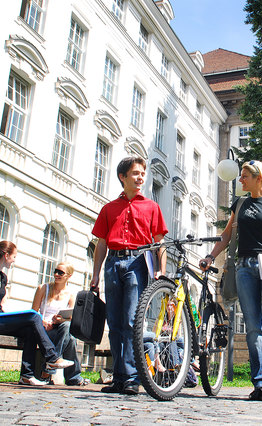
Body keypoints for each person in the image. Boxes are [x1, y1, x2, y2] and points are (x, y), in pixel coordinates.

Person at [200, 160, 262, 402]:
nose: (240, 180)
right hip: (244, 267)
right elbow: (228, 234)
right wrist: (211, 256)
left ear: (258, 177)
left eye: (244, 176)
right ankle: (260, 382)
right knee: (253, 326)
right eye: (240, 176)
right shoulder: (240, 204)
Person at [90, 156, 168, 395]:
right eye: (135, 173)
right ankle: (119, 377)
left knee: (131, 321)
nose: (140, 177)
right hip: (113, 262)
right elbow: (101, 243)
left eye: (142, 173)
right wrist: (95, 275)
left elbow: (159, 242)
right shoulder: (109, 208)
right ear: (122, 177)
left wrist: (161, 272)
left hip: (138, 262)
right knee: (114, 322)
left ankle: (132, 377)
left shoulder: (152, 207)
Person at [0, 241, 74, 386]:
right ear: (6, 255)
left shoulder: (3, 277)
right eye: (14, 256)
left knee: (30, 330)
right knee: (34, 316)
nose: (14, 260)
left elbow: (2, 305)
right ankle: (52, 358)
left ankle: (26, 376)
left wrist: (15, 320)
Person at [31, 261, 89, 386]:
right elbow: (33, 313)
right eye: (55, 271)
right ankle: (73, 377)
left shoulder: (71, 294)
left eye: (60, 273)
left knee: (67, 328)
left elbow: (71, 318)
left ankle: (49, 368)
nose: (56, 274)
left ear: (68, 276)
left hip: (59, 329)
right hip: (43, 330)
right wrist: (43, 321)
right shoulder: (43, 288)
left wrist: (61, 320)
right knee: (71, 339)